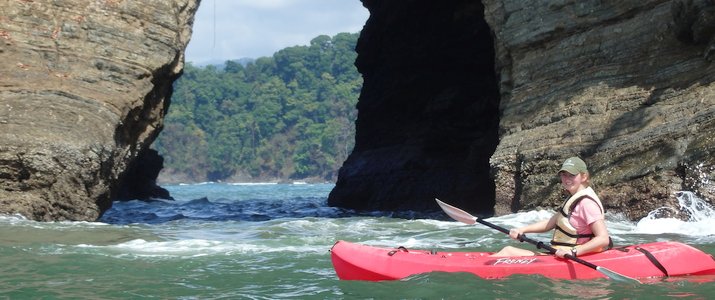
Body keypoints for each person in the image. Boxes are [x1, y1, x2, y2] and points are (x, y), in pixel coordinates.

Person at [490, 157, 612, 258]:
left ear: (584, 177)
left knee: (508, 252)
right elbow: (550, 223)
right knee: (508, 250)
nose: (566, 179)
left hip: (573, 256)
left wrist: (573, 252)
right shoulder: (572, 198)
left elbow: (603, 238)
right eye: (564, 175)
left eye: (572, 175)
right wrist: (522, 230)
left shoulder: (587, 203)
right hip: (560, 254)